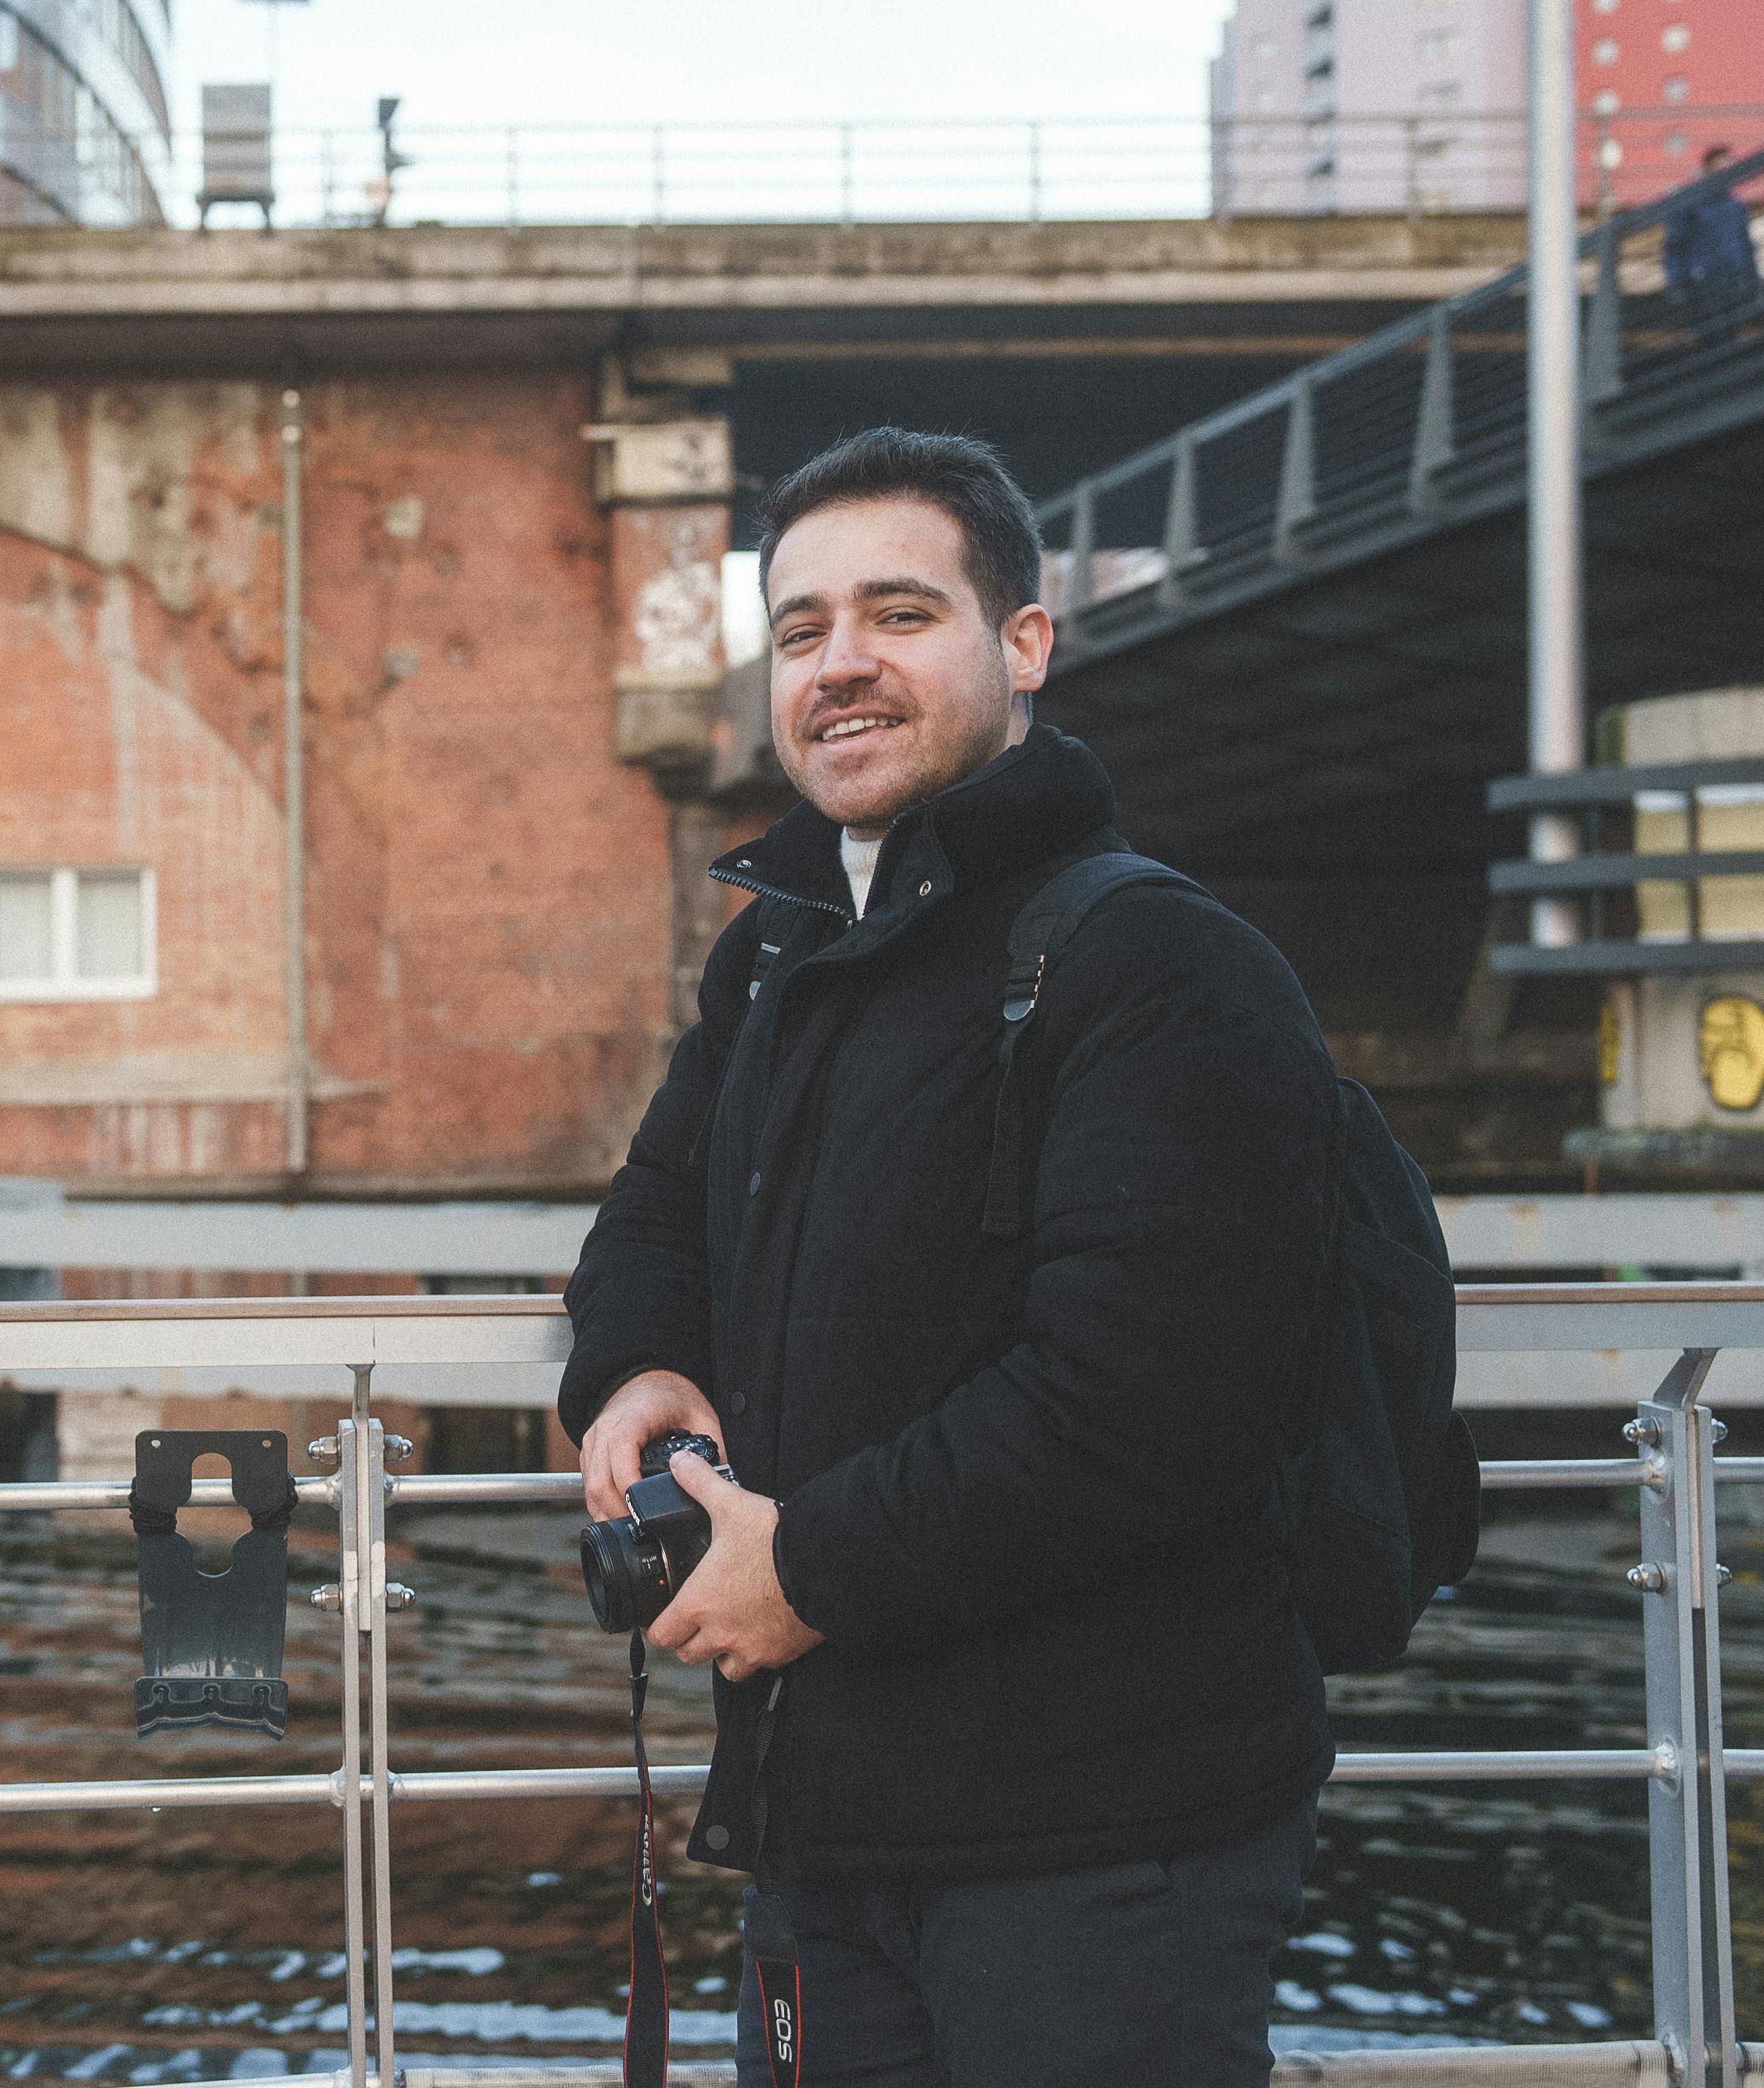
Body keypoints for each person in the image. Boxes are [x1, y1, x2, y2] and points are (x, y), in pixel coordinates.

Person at [560, 428, 1341, 2086]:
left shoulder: (1158, 963)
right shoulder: (781, 952)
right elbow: (647, 1215)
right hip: (825, 1819)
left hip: (1102, 1843)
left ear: (1023, 647)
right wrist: (636, 1369)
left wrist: (808, 1571)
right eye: (797, 630)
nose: (837, 664)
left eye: (897, 614)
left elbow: (1146, 1405)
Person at [1662, 143, 1764, 337]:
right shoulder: (1690, 205)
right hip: (1702, 283)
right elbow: (1675, 246)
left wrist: (1755, 281)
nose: (1726, 172)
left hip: (1732, 281)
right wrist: (1677, 283)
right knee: (1710, 337)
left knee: (1730, 336)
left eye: (1728, 167)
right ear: (1708, 169)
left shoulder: (1736, 206)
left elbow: (1745, 245)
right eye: (1721, 167)